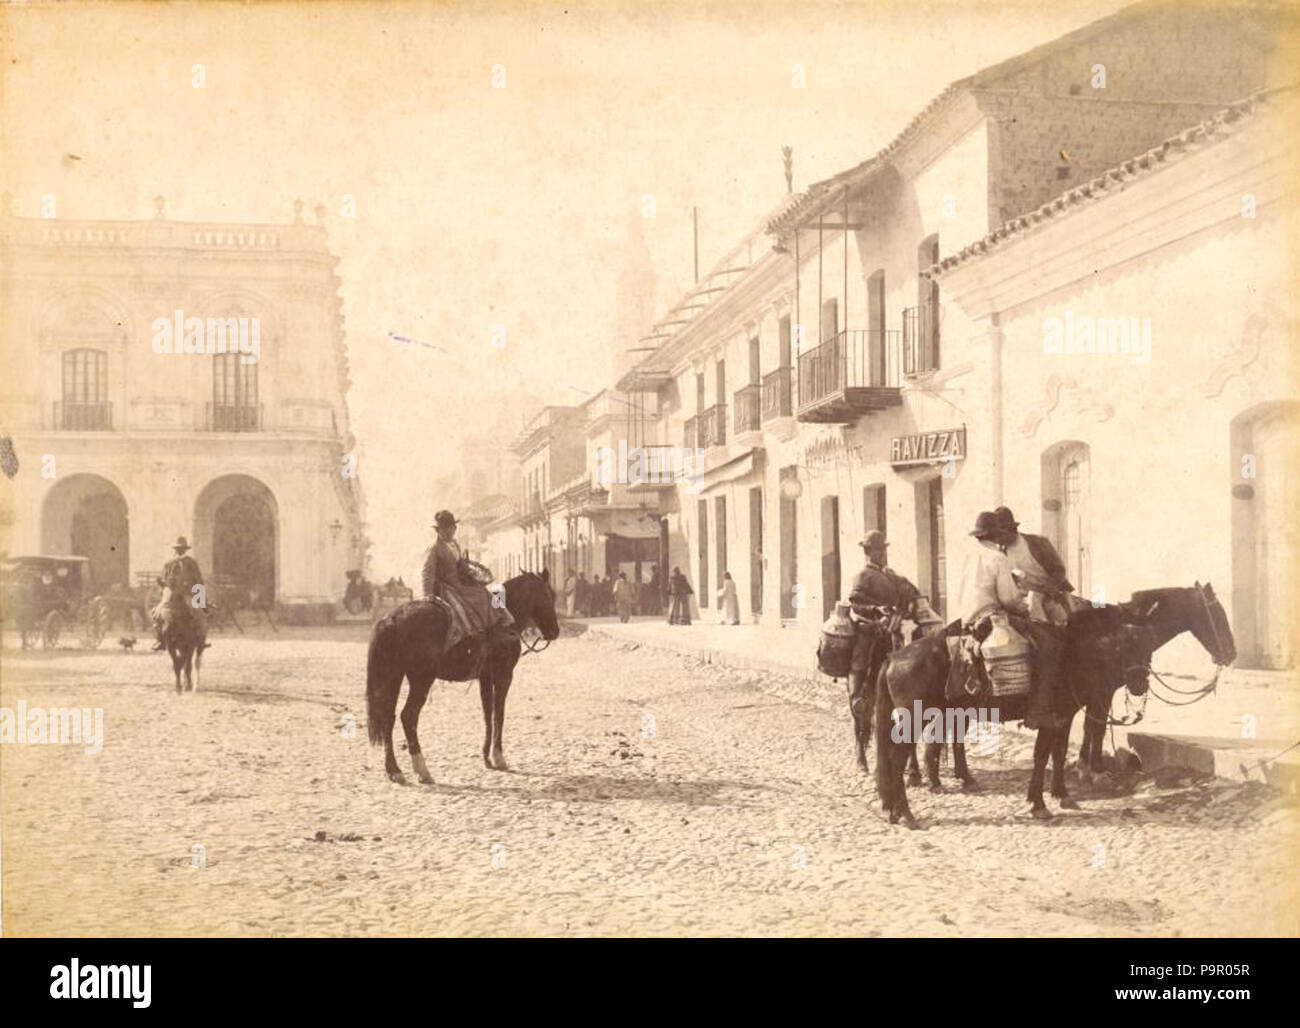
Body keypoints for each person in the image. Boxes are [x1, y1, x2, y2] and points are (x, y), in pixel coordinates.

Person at [965, 510, 1062, 729]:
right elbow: (1008, 599)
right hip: (992, 615)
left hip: (968, 617)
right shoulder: (998, 558)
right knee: (1048, 644)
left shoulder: (968, 555)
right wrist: (1024, 608)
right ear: (996, 534)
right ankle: (1039, 710)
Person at [422, 510, 512, 671]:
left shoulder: (454, 544)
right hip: (447, 587)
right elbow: (427, 572)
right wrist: (428, 595)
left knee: (490, 592)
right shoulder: (435, 548)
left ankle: (499, 620)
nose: (449, 532)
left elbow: (460, 564)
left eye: (451, 529)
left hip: (461, 583)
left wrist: (470, 571)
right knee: (477, 599)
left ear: (454, 528)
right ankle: (477, 632)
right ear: (439, 531)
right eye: (445, 530)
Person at [992, 506, 1077, 623]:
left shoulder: (1038, 543)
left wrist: (1050, 588)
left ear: (1011, 530)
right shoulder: (1001, 553)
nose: (997, 540)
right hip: (1026, 600)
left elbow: (1059, 570)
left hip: (1052, 594)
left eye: (1000, 535)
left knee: (1063, 625)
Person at [152, 536, 206, 650]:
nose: (179, 550)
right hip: (171, 593)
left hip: (187, 593)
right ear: (175, 549)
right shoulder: (169, 563)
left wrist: (199, 598)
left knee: (199, 613)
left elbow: (199, 580)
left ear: (185, 550)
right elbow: (163, 579)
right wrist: (162, 584)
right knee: (157, 612)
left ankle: (200, 639)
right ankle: (160, 640)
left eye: (181, 548)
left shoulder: (191, 563)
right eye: (177, 548)